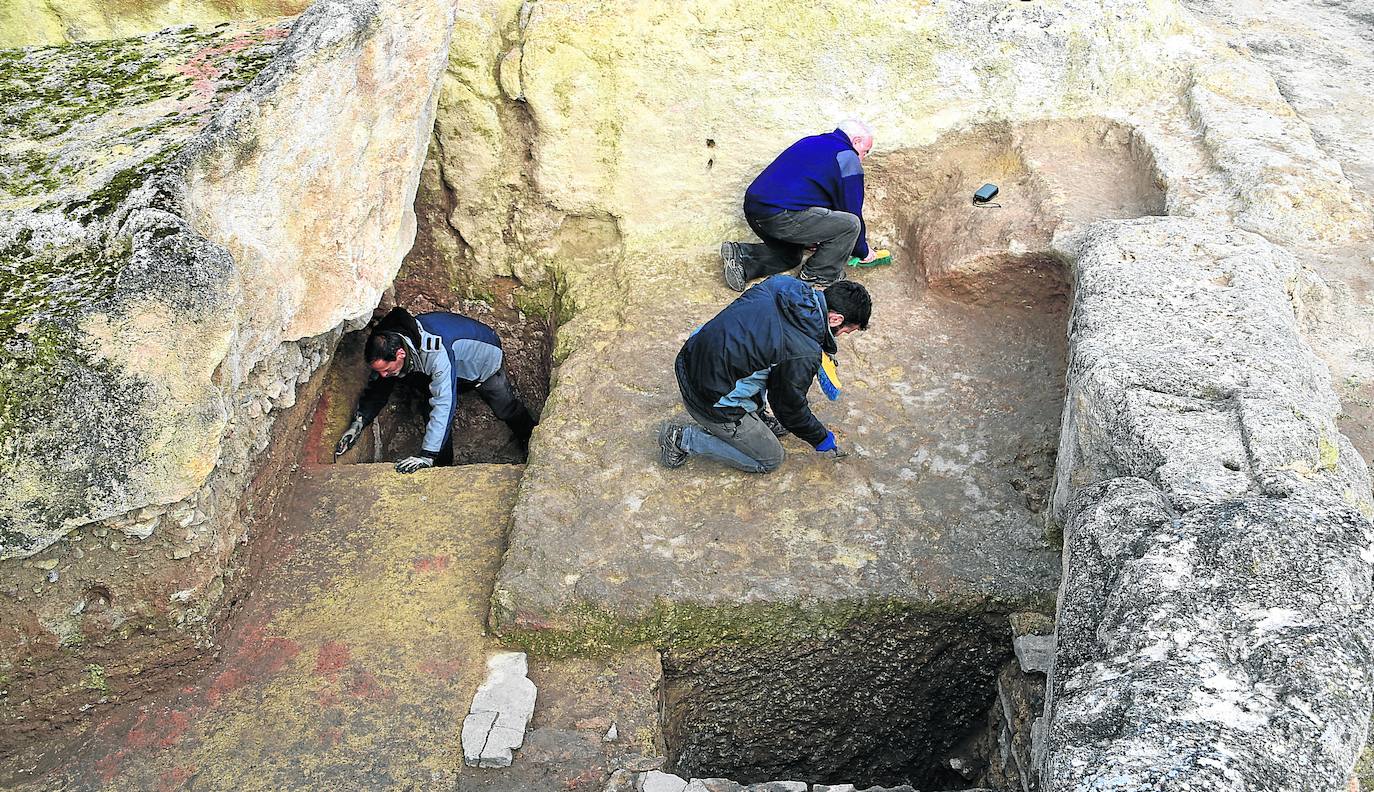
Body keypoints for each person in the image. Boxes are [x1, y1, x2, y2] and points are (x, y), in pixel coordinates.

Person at [659, 276, 872, 473]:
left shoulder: (783, 285)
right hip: (707, 400)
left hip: (689, 360)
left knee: (763, 354)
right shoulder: (802, 352)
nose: (842, 337)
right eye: (847, 331)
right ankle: (682, 439)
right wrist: (820, 437)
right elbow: (788, 408)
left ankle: (757, 415)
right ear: (835, 319)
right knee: (770, 459)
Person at [334, 307, 537, 473]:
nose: (384, 374)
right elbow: (378, 384)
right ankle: (443, 468)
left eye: (387, 369)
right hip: (444, 366)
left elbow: (444, 402)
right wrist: (359, 422)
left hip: (482, 363)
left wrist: (426, 455)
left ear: (401, 353)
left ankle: (530, 438)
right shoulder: (390, 341)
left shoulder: (435, 351)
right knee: (428, 409)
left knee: (504, 406)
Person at [720, 118, 881, 292]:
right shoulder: (848, 157)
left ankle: (741, 257)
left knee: (791, 256)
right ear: (856, 141)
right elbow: (851, 210)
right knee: (850, 225)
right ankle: (818, 275)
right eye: (865, 151)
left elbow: (806, 194)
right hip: (781, 214)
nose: (863, 158)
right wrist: (863, 251)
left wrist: (812, 235)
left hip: (756, 209)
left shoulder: (812, 141)